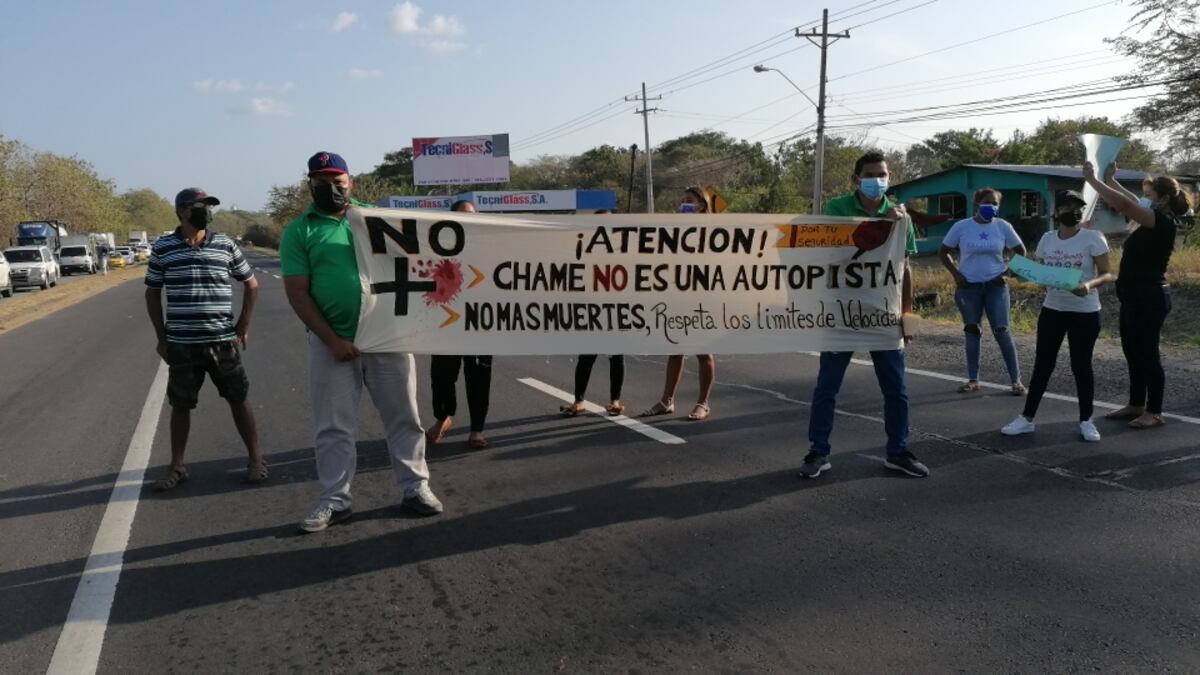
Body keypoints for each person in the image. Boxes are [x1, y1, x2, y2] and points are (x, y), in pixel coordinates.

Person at [281, 151, 443, 533]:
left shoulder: (377, 220)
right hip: (331, 344)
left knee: (405, 418)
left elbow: (424, 260)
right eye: (322, 183)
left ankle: (415, 488)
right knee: (333, 427)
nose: (331, 189)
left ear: (350, 182)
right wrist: (333, 341)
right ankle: (334, 500)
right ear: (310, 185)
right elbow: (298, 293)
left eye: (338, 182)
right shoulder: (299, 231)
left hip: (387, 338)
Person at [801, 151, 929, 479]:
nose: (877, 181)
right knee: (827, 387)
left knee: (896, 388)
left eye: (882, 175)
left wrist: (907, 313)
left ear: (890, 177)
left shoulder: (902, 218)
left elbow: (904, 267)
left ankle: (898, 451)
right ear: (855, 179)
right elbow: (833, 254)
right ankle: (818, 451)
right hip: (841, 312)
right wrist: (882, 227)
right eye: (870, 175)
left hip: (884, 314)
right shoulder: (837, 209)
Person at [145, 187, 266, 490]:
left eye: (209, 206)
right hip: (182, 344)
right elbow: (152, 292)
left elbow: (251, 284)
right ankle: (177, 466)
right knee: (181, 405)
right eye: (199, 206)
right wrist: (161, 337)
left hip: (222, 341)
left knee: (238, 399)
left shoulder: (224, 244)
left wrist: (243, 325)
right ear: (181, 211)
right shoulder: (163, 247)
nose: (206, 211)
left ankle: (256, 460)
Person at [1083, 161, 1190, 429]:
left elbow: (1125, 205)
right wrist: (1111, 180)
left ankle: (1154, 411)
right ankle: (1136, 404)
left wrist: (1094, 181)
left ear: (1163, 200)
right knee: (1132, 351)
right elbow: (1131, 201)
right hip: (1133, 296)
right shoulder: (1147, 218)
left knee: (1148, 354)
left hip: (1150, 297)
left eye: (1149, 195)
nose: (1144, 198)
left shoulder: (1160, 221)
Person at [1001, 190, 1114, 441]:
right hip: (1053, 309)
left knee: (1081, 365)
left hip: (1085, 311)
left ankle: (1086, 421)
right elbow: (1041, 271)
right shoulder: (1047, 239)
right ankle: (1026, 418)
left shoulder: (1093, 237)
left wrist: (1088, 285)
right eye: (1067, 207)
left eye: (1077, 207)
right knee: (1043, 364)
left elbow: (1108, 273)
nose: (1073, 211)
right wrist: (1017, 271)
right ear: (1057, 211)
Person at [640, 187, 721, 422]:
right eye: (682, 201)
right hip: (678, 294)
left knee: (703, 351)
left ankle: (703, 403)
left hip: (703, 296)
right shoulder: (675, 229)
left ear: (702, 206)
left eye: (689, 201)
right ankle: (667, 400)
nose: (683, 204)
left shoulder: (713, 231)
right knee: (675, 349)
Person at [938, 188, 1027, 395]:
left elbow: (1021, 251)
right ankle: (973, 380)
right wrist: (956, 274)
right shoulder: (962, 227)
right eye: (987, 202)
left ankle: (1016, 381)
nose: (991, 206)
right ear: (977, 203)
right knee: (972, 331)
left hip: (996, 286)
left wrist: (1008, 273)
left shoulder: (1003, 226)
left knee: (1002, 331)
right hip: (969, 287)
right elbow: (943, 252)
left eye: (995, 203)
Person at [426, 200, 494, 449]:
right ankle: (442, 418)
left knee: (479, 380)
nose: (468, 219)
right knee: (442, 378)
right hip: (446, 325)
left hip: (479, 324)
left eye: (472, 215)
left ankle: (476, 431)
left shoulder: (488, 248)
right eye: (463, 215)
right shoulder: (437, 249)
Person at [561, 209, 625, 417]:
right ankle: (579, 400)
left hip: (615, 310)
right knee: (586, 357)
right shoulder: (584, 248)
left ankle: (615, 400)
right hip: (591, 310)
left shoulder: (622, 250)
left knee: (616, 357)